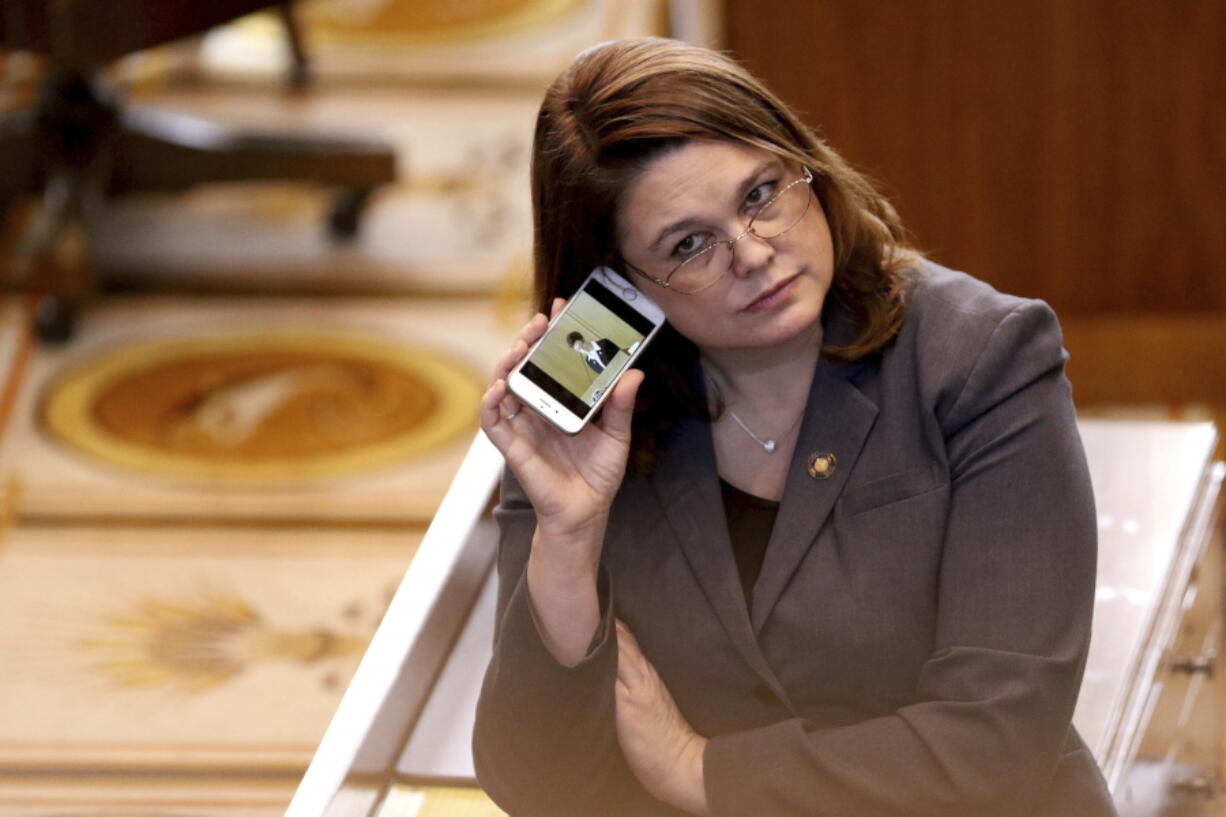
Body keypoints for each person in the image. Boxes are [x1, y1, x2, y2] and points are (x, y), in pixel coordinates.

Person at [473, 37, 1116, 817]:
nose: (753, 252)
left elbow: (994, 746)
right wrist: (567, 541)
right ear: (616, 289)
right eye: (689, 245)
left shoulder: (981, 358)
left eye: (760, 194)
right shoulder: (585, 424)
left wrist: (700, 771)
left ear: (803, 164)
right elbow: (536, 784)